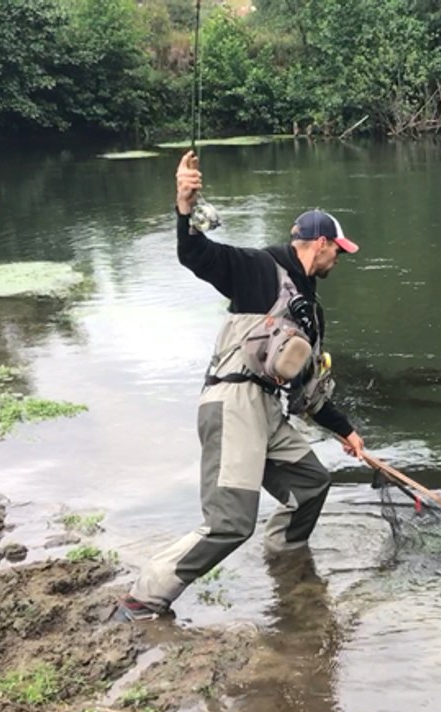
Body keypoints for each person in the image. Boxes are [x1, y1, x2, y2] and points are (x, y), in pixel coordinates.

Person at [117, 150, 365, 621]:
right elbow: (196, 255)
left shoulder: (311, 312)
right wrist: (184, 207)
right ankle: (145, 598)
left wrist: (345, 430)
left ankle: (285, 560)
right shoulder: (258, 269)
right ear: (318, 244)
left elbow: (308, 388)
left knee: (311, 485)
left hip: (268, 413)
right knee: (230, 524)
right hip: (232, 404)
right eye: (338, 248)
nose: (340, 257)